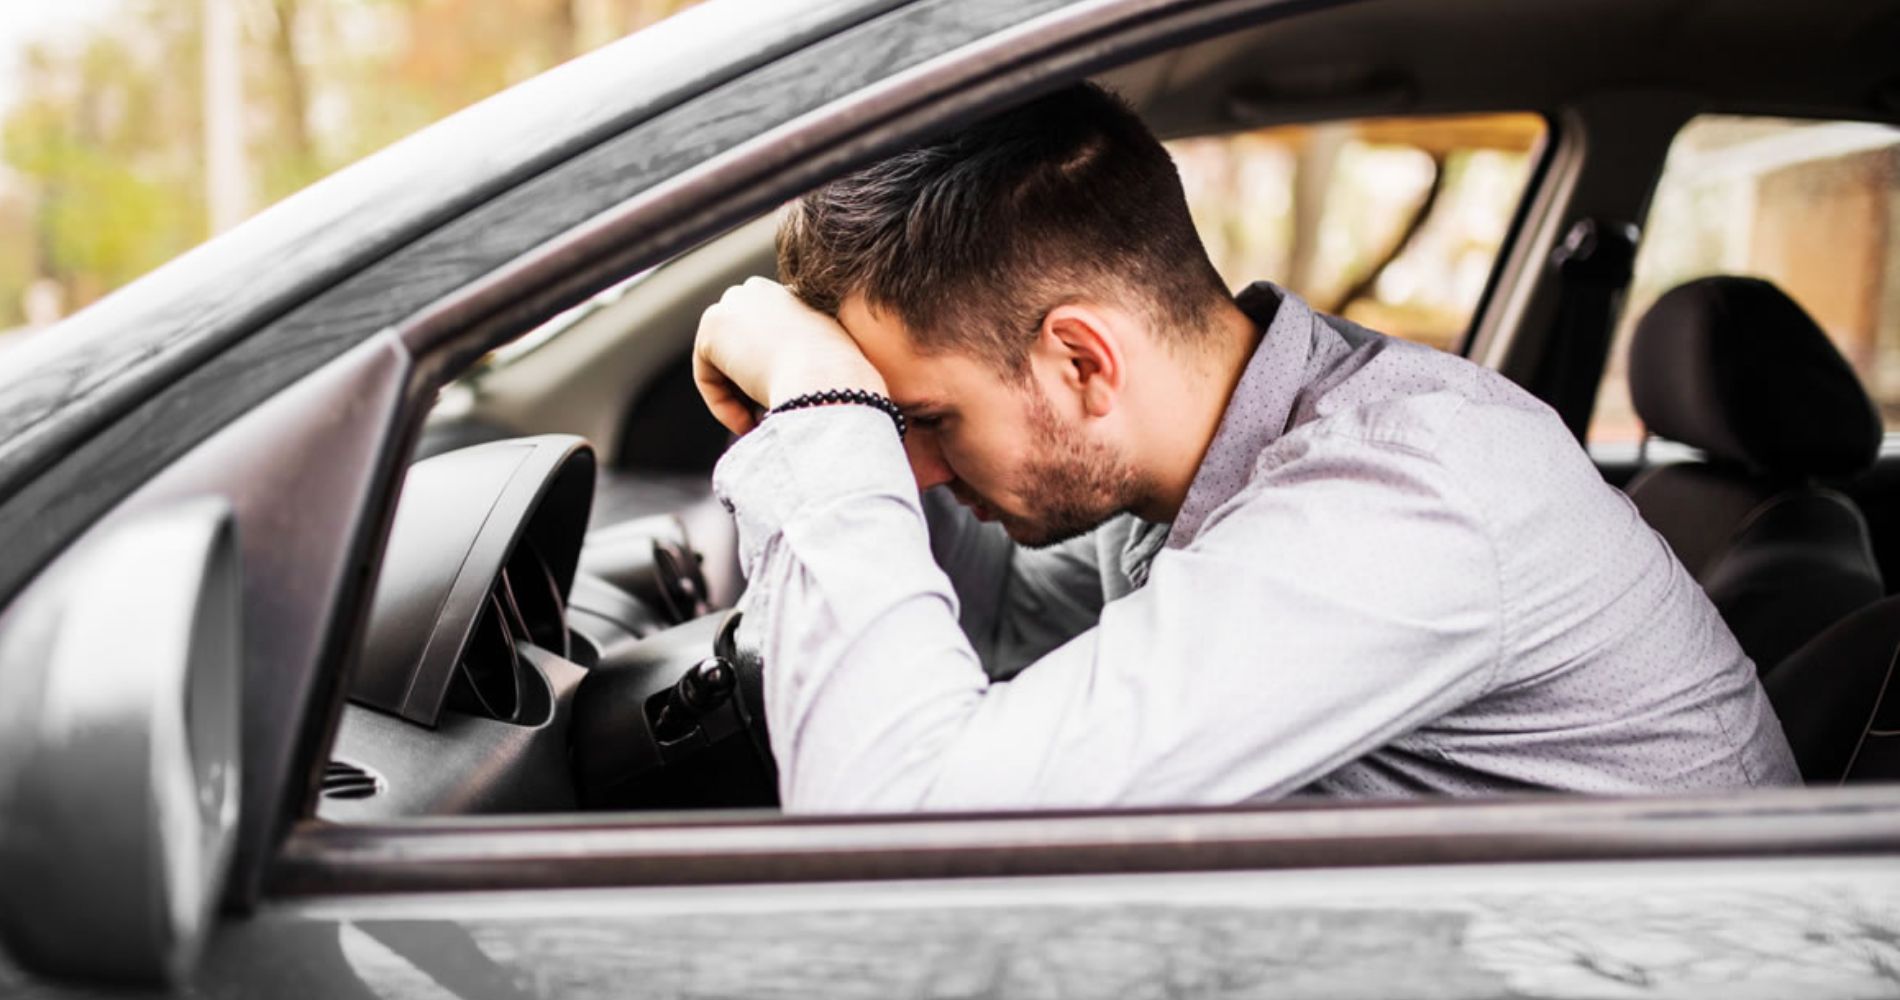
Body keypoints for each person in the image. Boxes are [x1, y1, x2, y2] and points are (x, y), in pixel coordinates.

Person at [690, 82, 1798, 812]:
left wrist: (822, 419)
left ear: (1082, 363)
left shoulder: (1405, 494)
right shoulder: (1210, 457)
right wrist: (847, 411)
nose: (915, 468)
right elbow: (992, 620)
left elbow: (892, 835)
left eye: (925, 421)